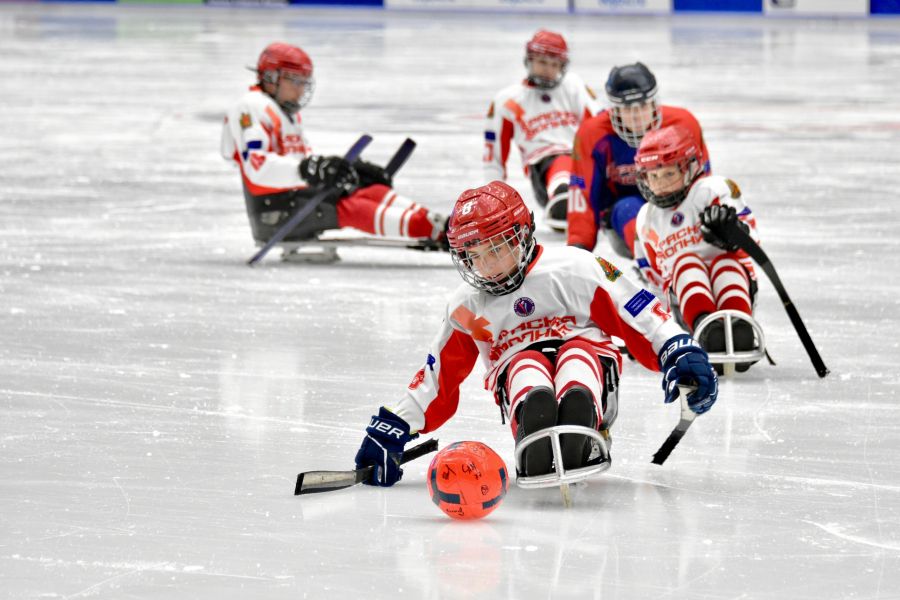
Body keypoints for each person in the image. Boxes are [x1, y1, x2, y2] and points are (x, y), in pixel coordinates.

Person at [353, 181, 718, 487]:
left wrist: (677, 347)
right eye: (473, 255)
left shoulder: (575, 267)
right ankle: (534, 435)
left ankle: (583, 426)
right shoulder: (466, 306)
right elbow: (437, 376)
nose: (486, 265)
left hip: (588, 359)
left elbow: (637, 309)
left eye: (495, 249)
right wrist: (396, 422)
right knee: (525, 365)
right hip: (518, 370)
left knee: (577, 357)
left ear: (521, 234)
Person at [220, 42, 447, 254]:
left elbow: (303, 161)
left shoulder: (287, 114)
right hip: (275, 210)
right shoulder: (250, 107)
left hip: (296, 197)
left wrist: (347, 170)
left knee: (370, 191)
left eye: (304, 82)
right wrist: (310, 169)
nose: (300, 90)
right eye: (295, 80)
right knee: (353, 207)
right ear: (270, 77)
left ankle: (438, 222)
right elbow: (257, 169)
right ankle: (437, 232)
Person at [632, 125, 761, 371]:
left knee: (725, 262)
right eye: (654, 176)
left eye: (669, 174)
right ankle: (706, 329)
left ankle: (739, 324)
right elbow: (655, 281)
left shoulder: (713, 190)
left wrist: (731, 232)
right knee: (686, 264)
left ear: (690, 167)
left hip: (736, 285)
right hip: (686, 310)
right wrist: (653, 330)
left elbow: (751, 239)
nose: (660, 185)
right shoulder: (646, 218)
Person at [568, 62, 710, 258]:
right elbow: (583, 196)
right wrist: (578, 248)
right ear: (614, 109)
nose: (636, 117)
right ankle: (654, 264)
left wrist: (710, 224)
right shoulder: (591, 134)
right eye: (627, 109)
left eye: (642, 106)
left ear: (653, 103)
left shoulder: (683, 124)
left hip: (678, 207)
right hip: (624, 214)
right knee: (627, 207)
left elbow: (702, 182)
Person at [483, 30, 599, 232]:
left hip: (583, 163)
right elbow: (494, 158)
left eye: (555, 65)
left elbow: (599, 126)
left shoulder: (573, 86)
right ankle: (565, 194)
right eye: (543, 62)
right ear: (529, 60)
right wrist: (492, 202)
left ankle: (581, 195)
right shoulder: (508, 100)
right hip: (543, 171)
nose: (548, 70)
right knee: (560, 159)